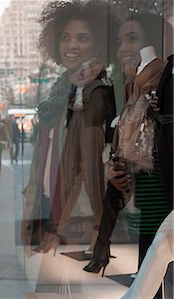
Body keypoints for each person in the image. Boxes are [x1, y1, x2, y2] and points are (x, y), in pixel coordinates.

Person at [84, 14, 173, 285]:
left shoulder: (158, 71)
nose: (123, 46)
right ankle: (107, 254)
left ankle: (109, 257)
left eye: (132, 38)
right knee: (149, 235)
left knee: (155, 237)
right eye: (120, 41)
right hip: (139, 162)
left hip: (155, 164)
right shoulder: (132, 75)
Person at [23, 0, 115, 255]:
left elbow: (90, 163)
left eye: (82, 38)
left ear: (97, 44)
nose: (72, 45)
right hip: (48, 208)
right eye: (66, 37)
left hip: (75, 219)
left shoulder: (95, 92)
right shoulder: (61, 91)